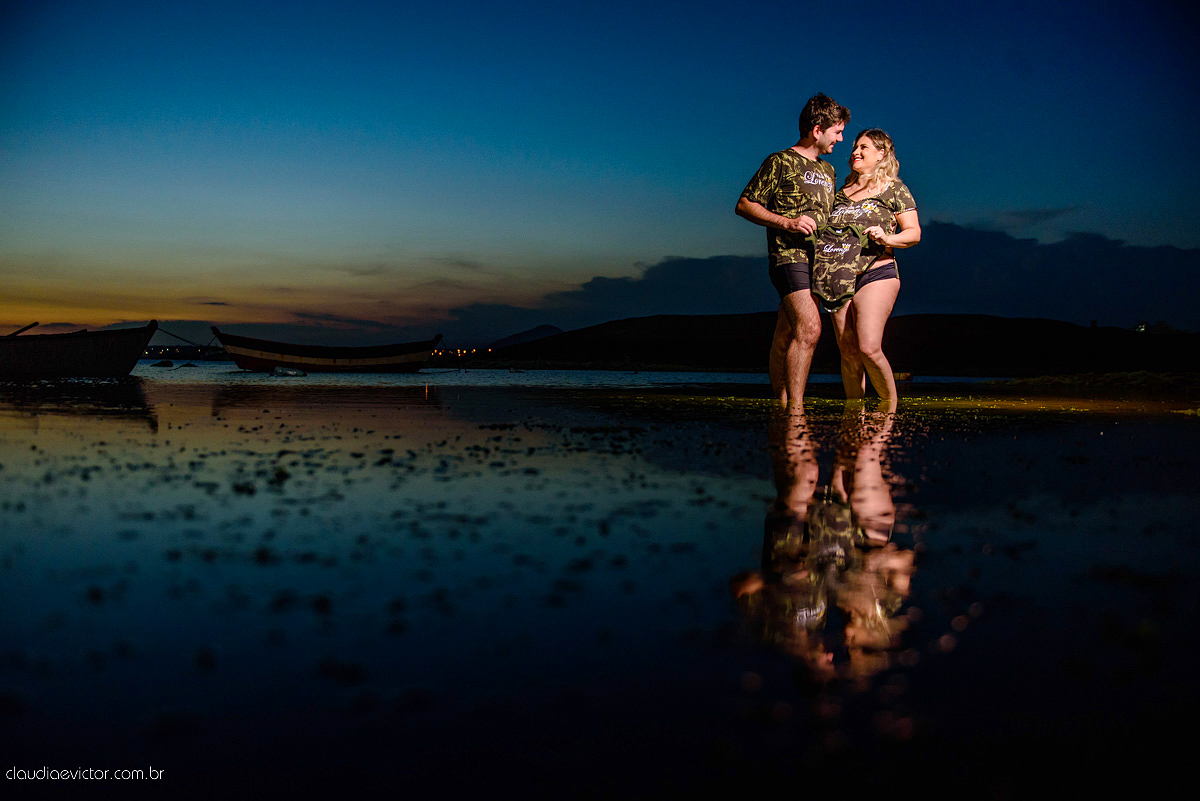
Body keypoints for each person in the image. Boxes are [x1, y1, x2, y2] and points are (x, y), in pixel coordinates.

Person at [736, 94, 850, 406]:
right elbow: (744, 204)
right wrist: (787, 222)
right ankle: (796, 412)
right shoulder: (780, 161)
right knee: (810, 328)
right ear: (817, 129)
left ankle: (781, 403)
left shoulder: (828, 171)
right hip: (789, 256)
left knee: (786, 331)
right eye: (837, 132)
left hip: (820, 262)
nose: (841, 139)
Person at [814, 129, 921, 411]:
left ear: (881, 153)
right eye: (854, 148)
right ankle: (854, 418)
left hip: (877, 271)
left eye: (863, 147)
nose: (855, 152)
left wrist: (887, 238)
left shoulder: (894, 189)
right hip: (838, 277)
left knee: (868, 347)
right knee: (848, 352)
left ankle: (889, 413)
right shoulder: (839, 195)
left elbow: (913, 233)